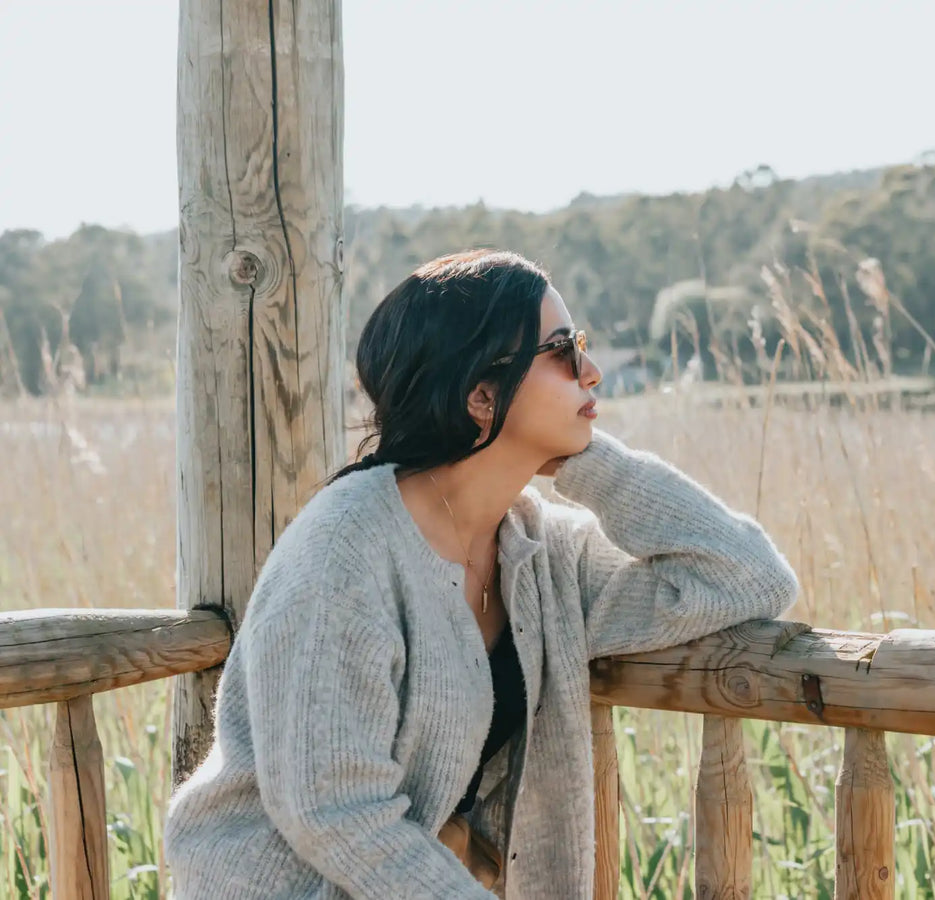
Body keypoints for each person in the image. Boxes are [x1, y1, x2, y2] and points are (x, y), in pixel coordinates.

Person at [162, 249, 799, 898]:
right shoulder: (343, 552)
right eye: (563, 352)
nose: (593, 372)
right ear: (480, 393)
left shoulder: (540, 553)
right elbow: (333, 812)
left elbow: (746, 577)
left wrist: (584, 460)